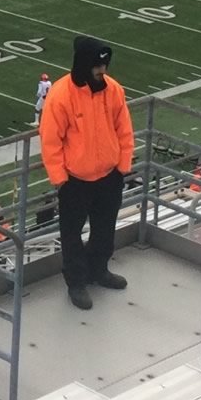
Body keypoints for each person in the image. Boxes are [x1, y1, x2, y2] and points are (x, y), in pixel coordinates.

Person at [38, 36, 134, 310]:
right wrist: (60, 179)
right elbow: (51, 140)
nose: (102, 72)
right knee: (71, 234)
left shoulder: (113, 90)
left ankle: (99, 270)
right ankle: (76, 282)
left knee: (105, 229)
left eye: (104, 67)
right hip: (75, 181)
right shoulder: (61, 95)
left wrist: (122, 165)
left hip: (109, 175)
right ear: (83, 65)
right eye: (97, 67)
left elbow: (124, 129)